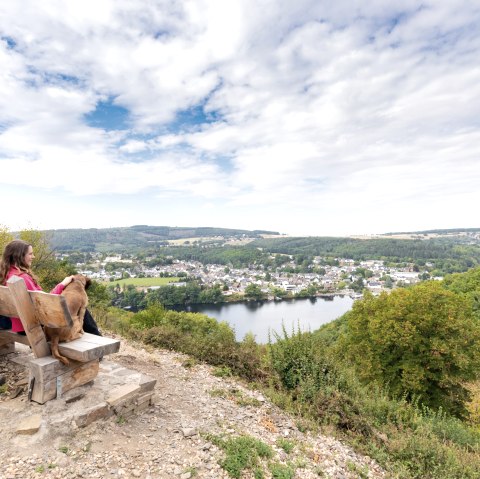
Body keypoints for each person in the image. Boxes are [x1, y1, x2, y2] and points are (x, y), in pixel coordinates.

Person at [0, 239, 101, 335]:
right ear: (19, 256)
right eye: (30, 254)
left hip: (12, 322)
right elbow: (45, 303)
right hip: (30, 326)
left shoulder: (5, 273)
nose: (33, 257)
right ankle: (97, 338)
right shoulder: (22, 278)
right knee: (80, 305)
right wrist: (62, 284)